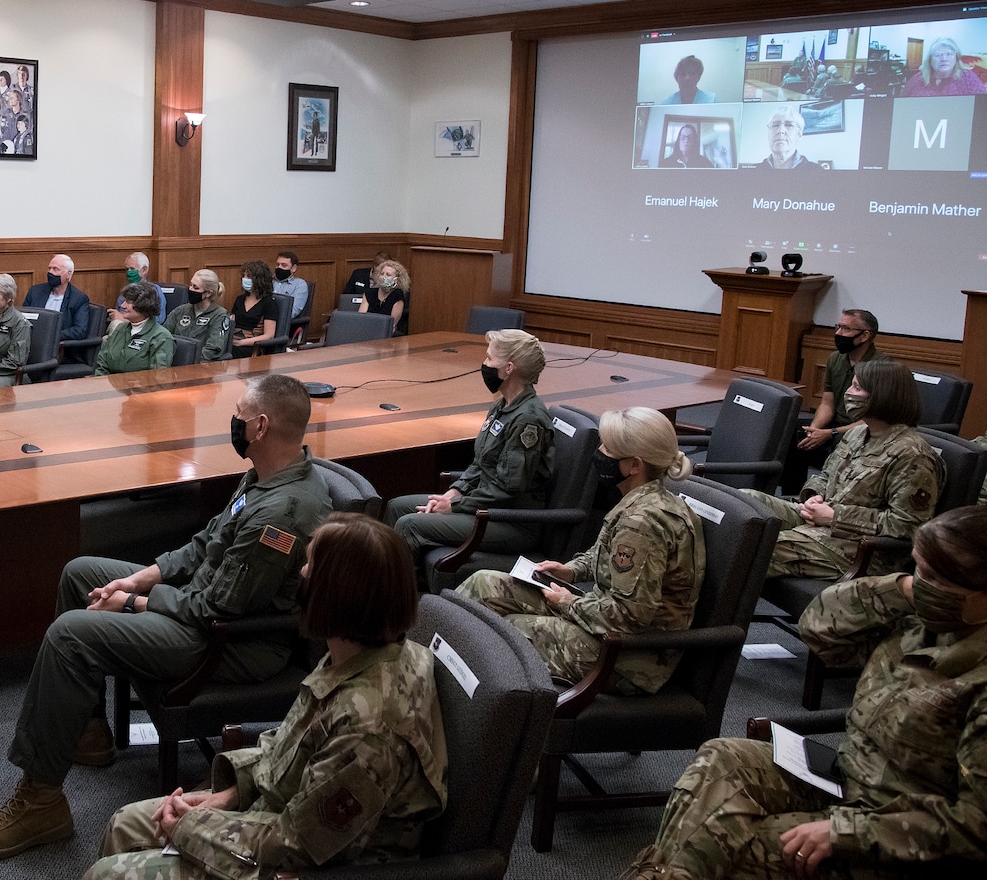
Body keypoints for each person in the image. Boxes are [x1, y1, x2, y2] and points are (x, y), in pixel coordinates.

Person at [0, 375, 333, 861]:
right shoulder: (268, 473)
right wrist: (141, 580)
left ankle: (41, 801)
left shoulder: (281, 513)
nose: (232, 421)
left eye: (238, 413)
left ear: (259, 426)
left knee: (70, 636)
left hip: (229, 643)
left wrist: (136, 602)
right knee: (80, 573)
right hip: (202, 608)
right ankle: (88, 731)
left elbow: (216, 610)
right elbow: (206, 544)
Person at [622, 504, 987, 880]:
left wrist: (845, 833)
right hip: (848, 779)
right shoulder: (918, 622)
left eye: (935, 580)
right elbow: (817, 627)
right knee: (722, 757)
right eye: (916, 572)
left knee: (728, 842)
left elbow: (977, 826)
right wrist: (901, 588)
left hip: (898, 825)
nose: (920, 585)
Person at [81, 513, 450, 880]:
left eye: (311, 565)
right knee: (123, 825)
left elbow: (299, 845)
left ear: (340, 591)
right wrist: (230, 794)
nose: (302, 573)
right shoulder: (359, 651)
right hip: (281, 817)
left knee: (107, 875)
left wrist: (191, 828)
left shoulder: (369, 727)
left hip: (311, 866)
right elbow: (294, 746)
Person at [459, 407, 705, 695]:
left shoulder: (642, 524)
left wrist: (568, 603)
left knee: (504, 631)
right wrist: (573, 570)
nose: (599, 452)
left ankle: (451, 694)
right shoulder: (645, 500)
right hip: (599, 619)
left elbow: (629, 616)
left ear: (635, 465)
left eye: (608, 448)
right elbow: (605, 554)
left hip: (627, 659)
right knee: (483, 583)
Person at [743, 358, 939, 580]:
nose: (848, 393)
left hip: (860, 549)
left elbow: (908, 525)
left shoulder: (913, 455)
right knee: (743, 505)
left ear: (883, 395)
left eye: (857, 387)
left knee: (753, 545)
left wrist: (835, 517)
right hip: (822, 520)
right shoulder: (857, 434)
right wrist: (814, 497)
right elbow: (826, 475)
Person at [385, 330, 553, 575]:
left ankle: (398, 596)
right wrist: (454, 492)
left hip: (509, 521)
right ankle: (387, 580)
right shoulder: (502, 405)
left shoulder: (528, 419)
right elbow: (480, 464)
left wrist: (456, 505)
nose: (484, 365)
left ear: (508, 369)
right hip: (482, 506)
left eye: (489, 359)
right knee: (397, 507)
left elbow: (507, 488)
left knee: (409, 523)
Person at [784, 308, 884, 494]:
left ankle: (828, 498)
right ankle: (794, 494)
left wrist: (829, 433)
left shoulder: (881, 368)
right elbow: (827, 404)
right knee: (793, 432)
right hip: (835, 423)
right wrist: (815, 430)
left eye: (846, 329)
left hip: (864, 430)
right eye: (838, 327)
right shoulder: (835, 359)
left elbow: (873, 419)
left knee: (840, 441)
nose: (838, 333)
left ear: (864, 336)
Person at [22, 254, 92, 365]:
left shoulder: (79, 299)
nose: (50, 272)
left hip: (60, 350)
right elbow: (23, 318)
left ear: (68, 275)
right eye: (49, 268)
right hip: (31, 345)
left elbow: (79, 331)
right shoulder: (35, 292)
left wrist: (51, 335)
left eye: (55, 269)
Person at [95, 282, 174, 376]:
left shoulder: (161, 337)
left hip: (139, 389)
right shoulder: (120, 329)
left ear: (143, 305)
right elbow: (102, 364)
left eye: (128, 302)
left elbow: (159, 377)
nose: (122, 306)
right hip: (110, 386)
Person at [164, 269, 232, 362]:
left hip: (200, 365)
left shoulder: (219, 315)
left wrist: (189, 358)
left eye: (195, 287)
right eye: (190, 285)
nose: (190, 289)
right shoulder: (180, 310)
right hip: (174, 360)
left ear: (208, 293)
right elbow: (163, 335)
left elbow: (213, 349)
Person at [742, 105, 823, 171]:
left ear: (799, 134)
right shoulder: (752, 172)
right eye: (775, 125)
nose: (780, 130)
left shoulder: (817, 172)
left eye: (789, 125)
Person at [901, 36, 986, 97]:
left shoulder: (969, 78)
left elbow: (982, 106)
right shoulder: (917, 79)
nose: (944, 59)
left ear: (956, 57)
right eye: (938, 55)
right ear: (930, 59)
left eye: (949, 54)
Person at [231, 259, 279, 357]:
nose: (244, 279)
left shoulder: (269, 303)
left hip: (252, 347)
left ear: (260, 280)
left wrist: (242, 343)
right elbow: (231, 322)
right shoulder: (240, 299)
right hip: (233, 341)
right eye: (243, 276)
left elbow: (269, 336)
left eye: (249, 277)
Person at [111, 252, 166, 323]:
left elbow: (158, 320)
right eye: (127, 269)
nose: (128, 272)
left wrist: (125, 320)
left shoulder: (154, 291)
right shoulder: (124, 293)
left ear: (144, 270)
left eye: (132, 268)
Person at [364, 259, 410, 336]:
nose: (384, 277)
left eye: (388, 275)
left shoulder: (397, 295)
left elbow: (392, 324)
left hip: (385, 334)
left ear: (397, 279)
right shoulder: (369, 293)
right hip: (366, 330)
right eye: (382, 274)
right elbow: (360, 318)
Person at [271, 250, 309, 319]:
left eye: (284, 265)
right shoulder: (268, 280)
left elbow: (293, 312)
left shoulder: (300, 285)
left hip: (282, 323)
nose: (279, 267)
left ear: (293, 268)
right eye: (277, 264)